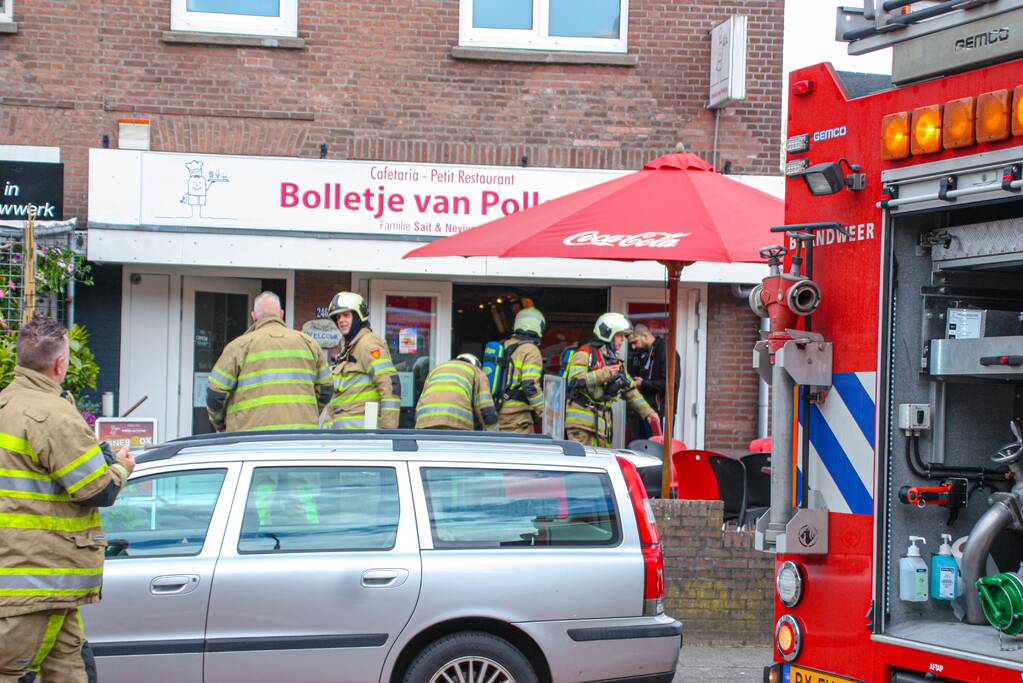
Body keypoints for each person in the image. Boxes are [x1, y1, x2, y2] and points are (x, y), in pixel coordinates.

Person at [0, 318, 135, 683]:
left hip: (31, 580)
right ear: (60, 364)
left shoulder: (5, 405)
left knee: (71, 670)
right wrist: (121, 468)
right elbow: (97, 489)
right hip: (38, 581)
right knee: (12, 672)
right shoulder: (52, 415)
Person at [206, 291, 331, 432]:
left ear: (253, 316)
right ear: (281, 314)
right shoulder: (310, 344)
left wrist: (220, 424)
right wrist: (308, 414)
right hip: (300, 437)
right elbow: (326, 389)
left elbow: (215, 395)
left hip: (251, 438)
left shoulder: (237, 347)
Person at [565, 313, 659, 447]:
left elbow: (630, 390)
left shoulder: (615, 361)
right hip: (580, 426)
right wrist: (605, 373)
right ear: (608, 334)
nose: (623, 340)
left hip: (602, 427)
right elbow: (574, 380)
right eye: (620, 335)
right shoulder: (585, 353)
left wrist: (649, 413)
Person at [325, 291, 400, 429]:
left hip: (362, 437)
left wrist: (388, 432)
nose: (341, 320)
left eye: (346, 315)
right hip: (344, 434)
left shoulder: (368, 343)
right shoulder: (348, 349)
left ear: (359, 316)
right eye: (338, 316)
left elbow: (390, 384)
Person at [415, 354, 498, 431]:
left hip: (424, 421)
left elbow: (421, 399)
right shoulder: (476, 371)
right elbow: (486, 409)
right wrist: (494, 434)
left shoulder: (436, 369)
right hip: (455, 422)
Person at [496, 308, 545, 433]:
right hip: (517, 417)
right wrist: (544, 412)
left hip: (497, 412)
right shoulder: (531, 350)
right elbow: (530, 385)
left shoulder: (503, 345)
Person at [628, 323, 681, 439]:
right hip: (645, 412)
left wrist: (643, 383)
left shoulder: (666, 351)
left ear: (645, 336)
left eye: (635, 342)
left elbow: (670, 384)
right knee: (642, 447)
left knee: (658, 447)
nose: (633, 347)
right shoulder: (647, 352)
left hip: (661, 413)